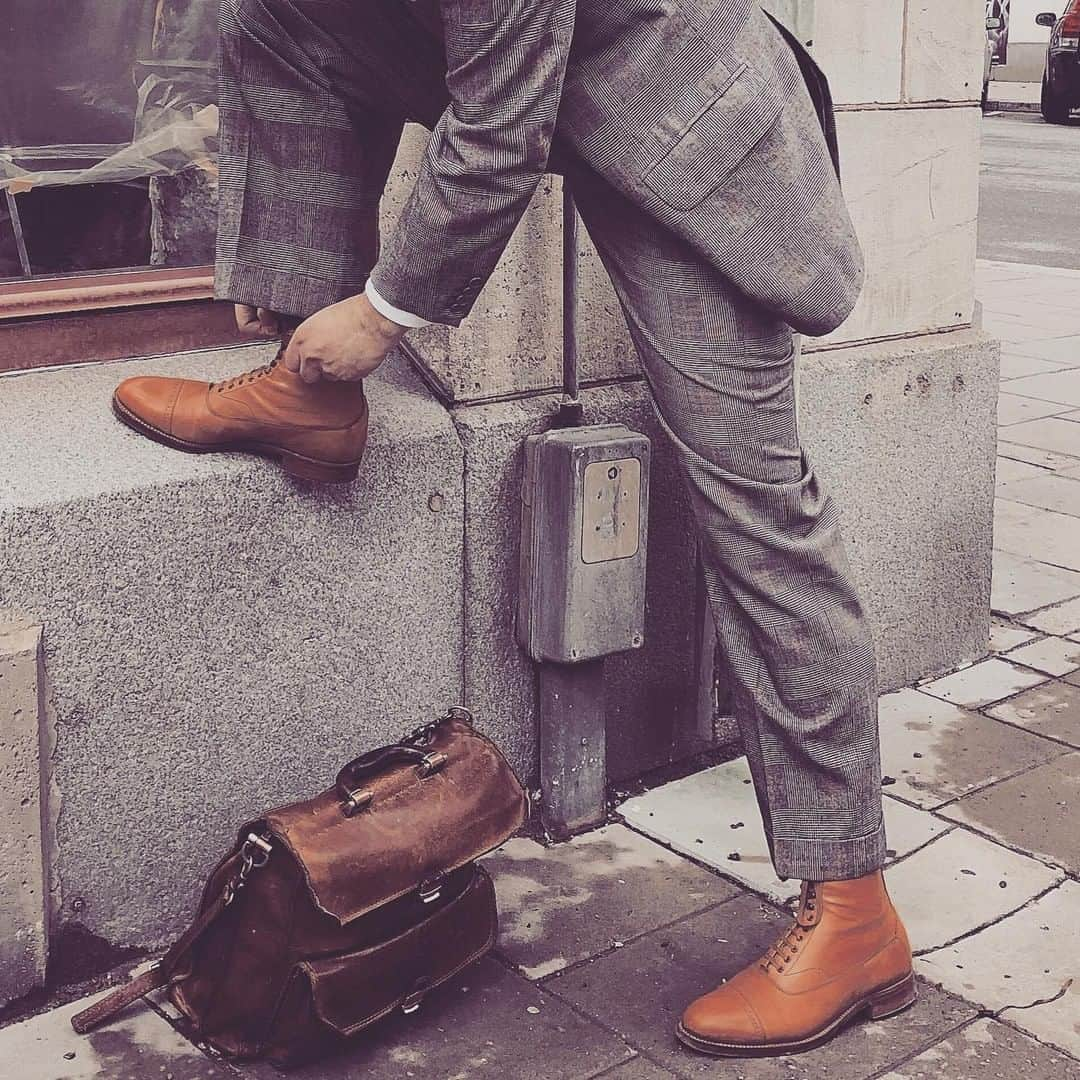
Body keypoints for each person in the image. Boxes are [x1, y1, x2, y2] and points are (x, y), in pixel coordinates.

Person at [111, 0, 915, 1057]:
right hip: (574, 95)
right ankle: (306, 395)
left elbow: (499, 131)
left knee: (758, 514)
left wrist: (383, 313)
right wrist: (300, 280)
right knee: (277, 16)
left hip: (693, 132)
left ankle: (855, 912)